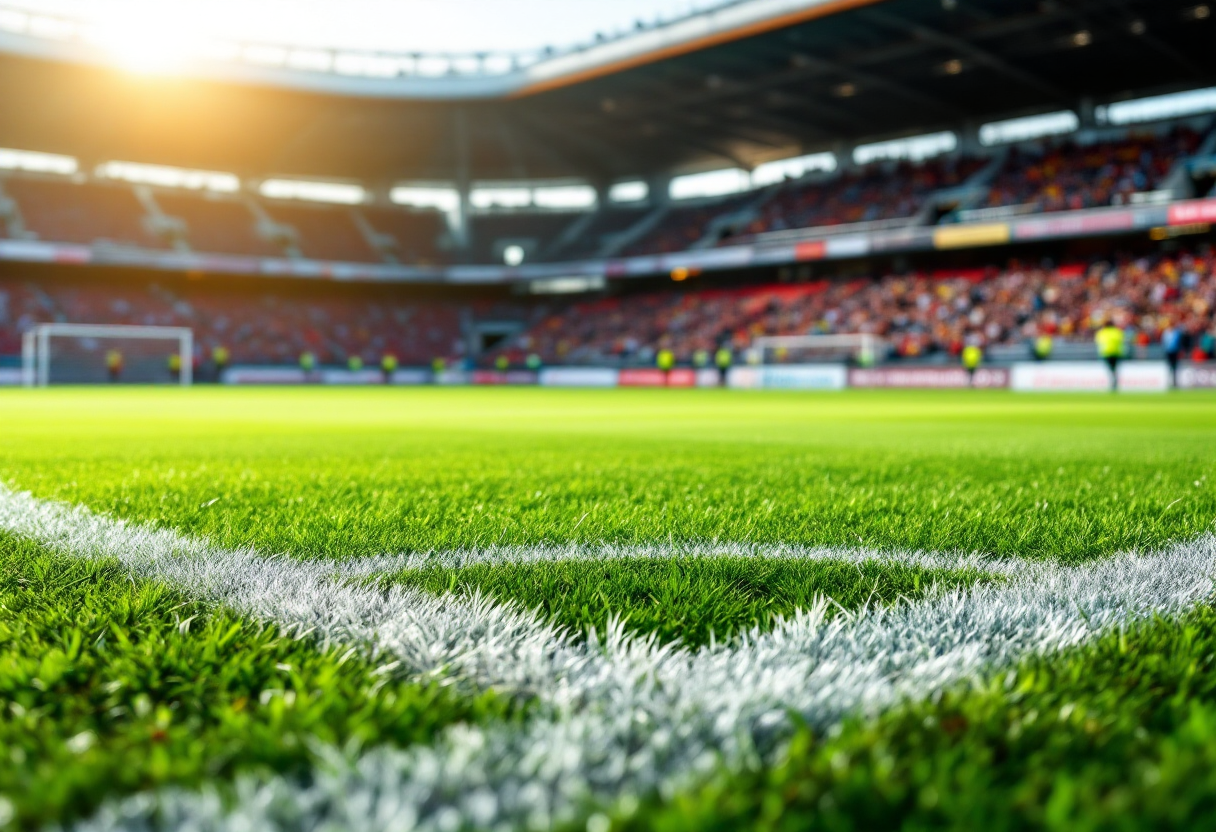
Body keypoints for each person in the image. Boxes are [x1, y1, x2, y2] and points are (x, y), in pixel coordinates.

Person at [1094, 320, 1124, 392]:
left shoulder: (1102, 332)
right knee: (1115, 368)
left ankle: (1113, 380)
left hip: (1106, 353)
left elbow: (1098, 341)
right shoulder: (1117, 332)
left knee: (1110, 368)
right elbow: (1121, 340)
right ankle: (1114, 380)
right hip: (1117, 352)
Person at [1161, 323, 1183, 388]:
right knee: (1169, 367)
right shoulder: (1166, 333)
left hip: (1175, 351)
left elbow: (1178, 343)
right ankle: (1169, 382)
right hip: (1168, 352)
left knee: (1174, 368)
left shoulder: (1176, 333)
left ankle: (1174, 382)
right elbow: (1164, 343)